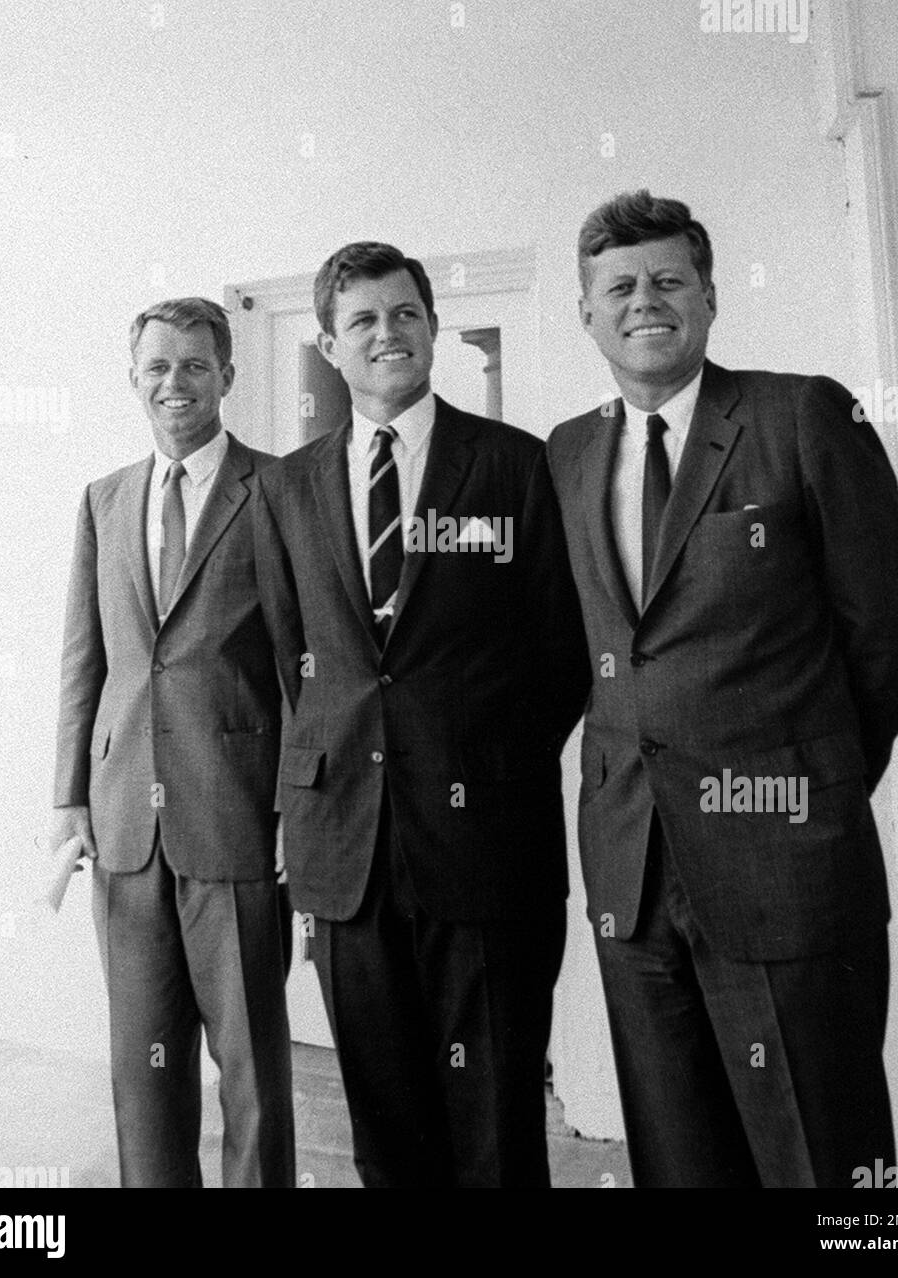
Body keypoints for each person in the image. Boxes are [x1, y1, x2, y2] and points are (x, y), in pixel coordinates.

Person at [546, 190, 898, 1188]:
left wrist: (814, 781)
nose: (644, 301)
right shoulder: (566, 452)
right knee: (679, 1161)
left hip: (786, 866)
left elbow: (884, 630)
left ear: (708, 297)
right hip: (629, 870)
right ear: (584, 314)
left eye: (668, 279)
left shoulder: (797, 413)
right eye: (617, 286)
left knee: (824, 1159)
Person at [253, 242, 589, 1187]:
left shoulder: (516, 467)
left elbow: (559, 654)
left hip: (487, 845)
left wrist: (482, 765)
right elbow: (296, 660)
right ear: (328, 342)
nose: (386, 333)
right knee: (385, 1120)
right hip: (345, 854)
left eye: (403, 313)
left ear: (433, 326)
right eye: (360, 319)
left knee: (494, 1118)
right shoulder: (283, 488)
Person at [51, 297, 295, 1187]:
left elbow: (301, 664)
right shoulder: (104, 499)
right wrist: (67, 799)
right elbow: (87, 660)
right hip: (122, 827)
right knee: (141, 1070)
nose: (174, 383)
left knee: (252, 1073)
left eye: (195, 365)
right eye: (156, 367)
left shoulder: (276, 489)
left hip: (234, 815)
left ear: (228, 376)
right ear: (133, 380)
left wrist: (292, 812)